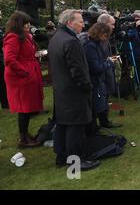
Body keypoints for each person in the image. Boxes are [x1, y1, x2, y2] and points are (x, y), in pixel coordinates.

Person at [48, 9, 100, 171]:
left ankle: (61, 156)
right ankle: (76, 161)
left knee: (63, 124)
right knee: (75, 127)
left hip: (61, 89)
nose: (83, 24)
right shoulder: (71, 41)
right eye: (79, 21)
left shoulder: (56, 37)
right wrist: (87, 87)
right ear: (70, 22)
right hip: (73, 90)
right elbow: (77, 70)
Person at [3, 11, 44, 147]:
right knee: (24, 108)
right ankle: (23, 138)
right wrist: (24, 72)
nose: (29, 25)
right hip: (21, 77)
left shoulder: (24, 36)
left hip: (28, 73)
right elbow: (9, 59)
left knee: (28, 108)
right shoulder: (13, 37)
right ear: (19, 24)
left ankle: (25, 134)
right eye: (26, 23)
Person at [84, 23, 122, 129]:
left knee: (103, 102)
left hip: (100, 79)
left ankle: (104, 122)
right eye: (105, 36)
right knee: (97, 104)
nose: (106, 38)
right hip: (94, 80)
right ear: (99, 33)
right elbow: (95, 67)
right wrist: (109, 62)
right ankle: (94, 127)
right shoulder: (90, 46)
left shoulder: (96, 44)